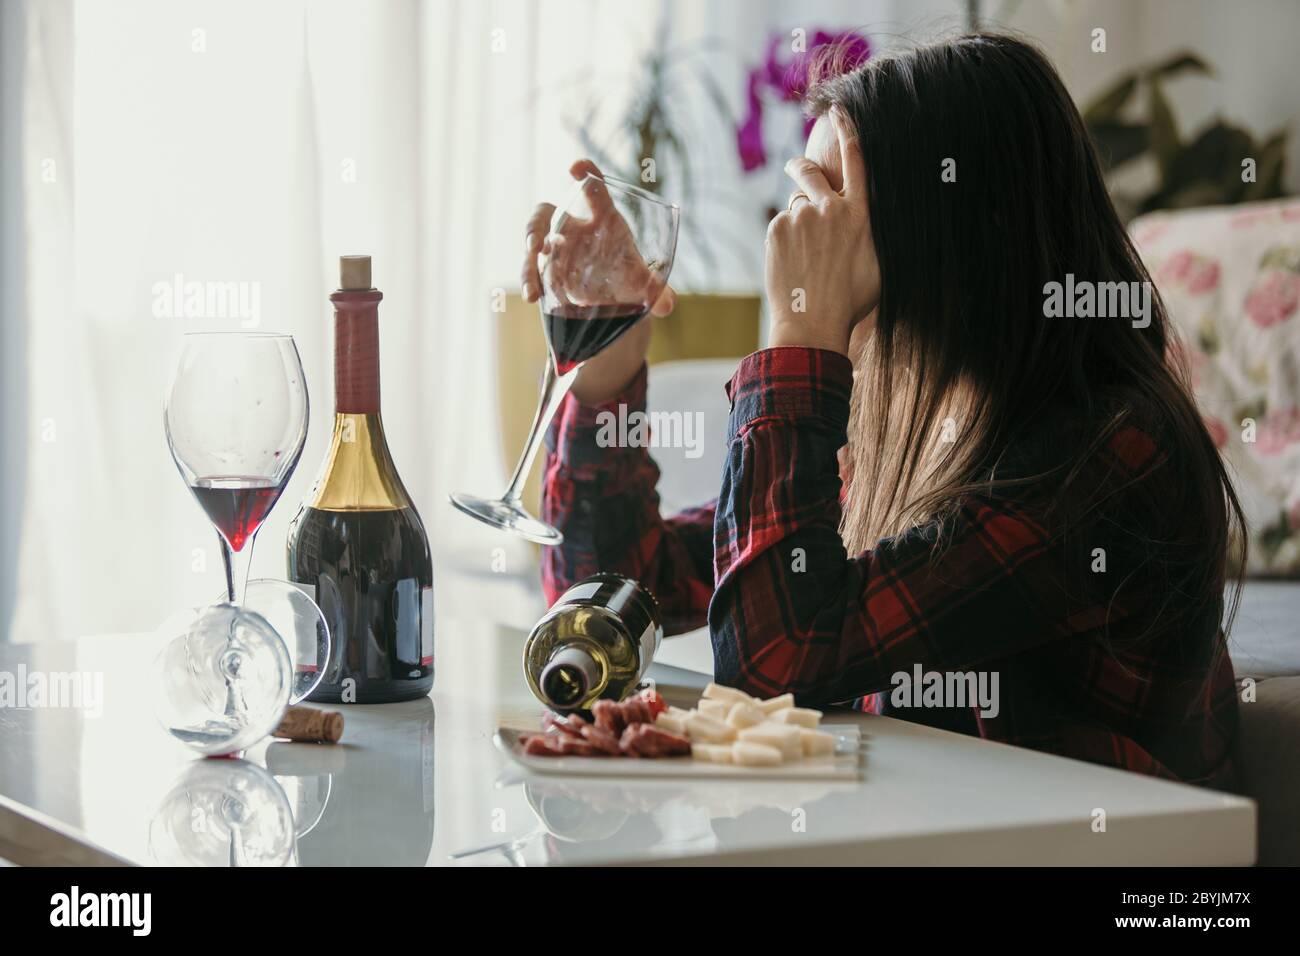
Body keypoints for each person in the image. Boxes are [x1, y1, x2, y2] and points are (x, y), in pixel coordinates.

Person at [519, 34, 1244, 788]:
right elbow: (622, 589)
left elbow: (770, 661)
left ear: (948, 224)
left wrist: (799, 336)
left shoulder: (1104, 452)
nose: (794, 237)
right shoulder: (895, 423)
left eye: (826, 209)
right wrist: (609, 370)